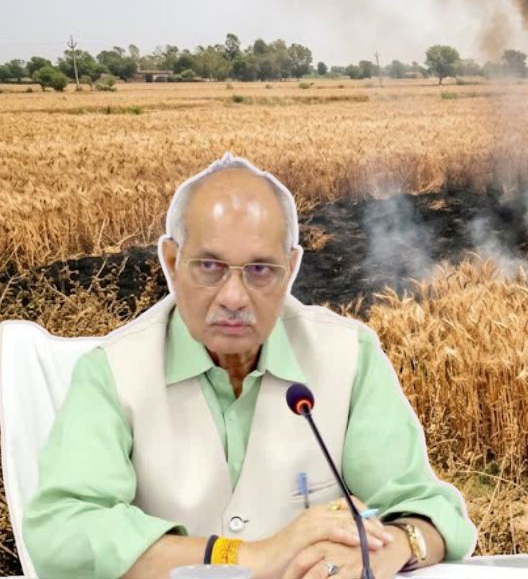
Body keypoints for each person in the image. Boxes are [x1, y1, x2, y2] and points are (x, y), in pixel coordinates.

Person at [24, 154, 476, 579]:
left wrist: (395, 544)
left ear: (292, 266)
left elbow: (426, 507)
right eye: (209, 266)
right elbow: (61, 532)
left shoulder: (349, 355)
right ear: (170, 261)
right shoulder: (111, 371)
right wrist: (246, 557)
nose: (234, 297)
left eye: (261, 269)